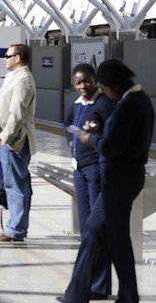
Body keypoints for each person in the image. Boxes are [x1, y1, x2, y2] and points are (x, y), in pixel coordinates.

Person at [59, 59, 155, 303]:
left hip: (118, 180)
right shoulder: (139, 100)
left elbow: (112, 148)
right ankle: (128, 295)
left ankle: (76, 295)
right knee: (117, 238)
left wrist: (89, 139)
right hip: (126, 177)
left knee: (91, 231)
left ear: (112, 84)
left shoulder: (128, 106)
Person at [63, 64, 114, 299]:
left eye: (87, 81)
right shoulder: (76, 104)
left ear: (95, 80)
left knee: (97, 229)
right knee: (86, 229)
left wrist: (96, 133)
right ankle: (89, 282)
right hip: (79, 171)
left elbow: (112, 135)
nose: (83, 86)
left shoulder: (104, 105)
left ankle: (100, 285)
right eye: (78, 83)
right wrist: (70, 141)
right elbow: (67, 125)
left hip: (96, 169)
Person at [0, 43, 36, 243]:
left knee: (15, 185)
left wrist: (6, 137)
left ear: (18, 58)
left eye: (7, 55)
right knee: (16, 183)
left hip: (15, 141)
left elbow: (17, 112)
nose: (4, 58)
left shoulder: (23, 79)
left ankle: (16, 230)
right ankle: (16, 227)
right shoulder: (16, 78)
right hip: (11, 140)